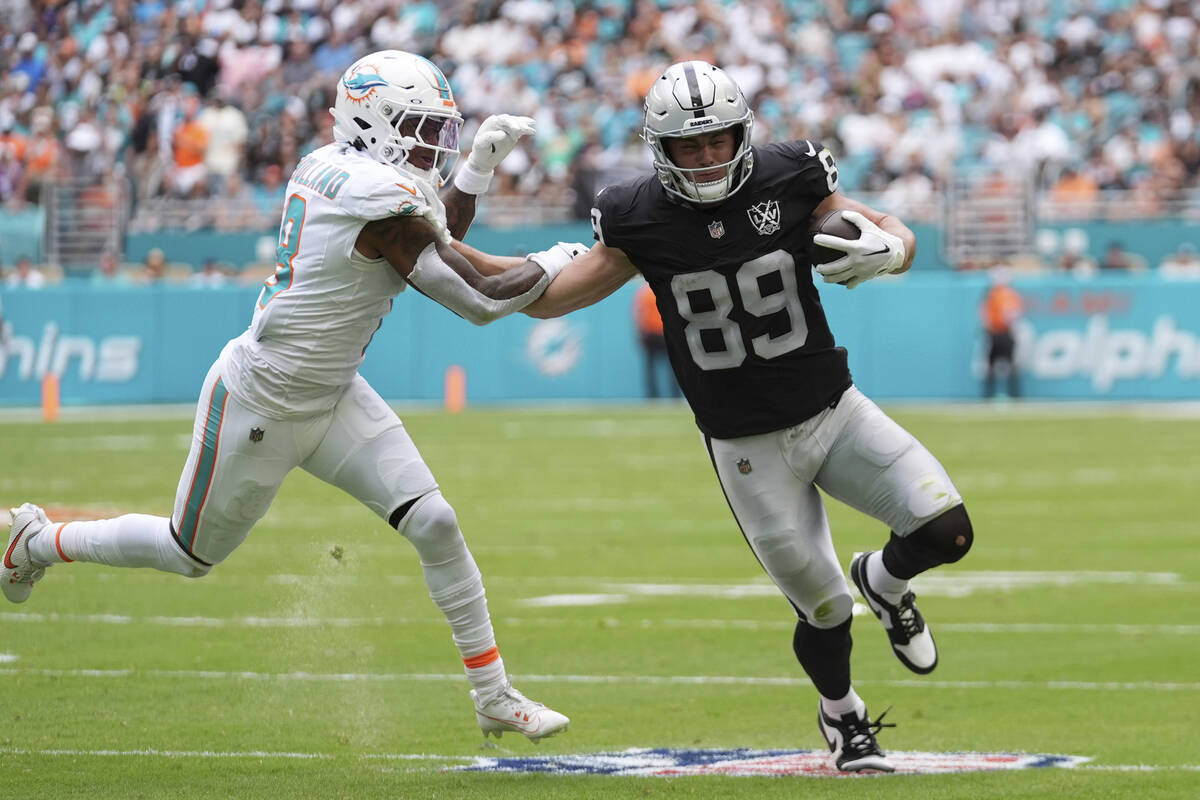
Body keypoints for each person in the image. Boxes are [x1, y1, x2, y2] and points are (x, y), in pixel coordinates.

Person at [3, 50, 575, 744]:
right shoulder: (373, 196)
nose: (431, 146)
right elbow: (478, 296)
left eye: (438, 132)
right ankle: (40, 541)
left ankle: (493, 694)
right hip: (262, 403)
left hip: (333, 393)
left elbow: (434, 236)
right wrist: (555, 262)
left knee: (436, 523)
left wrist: (476, 169)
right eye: (419, 129)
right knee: (188, 553)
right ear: (373, 123)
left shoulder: (347, 172)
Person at [456, 61, 973, 773]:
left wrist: (895, 247)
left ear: (743, 134)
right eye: (688, 146)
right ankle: (843, 715)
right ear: (659, 150)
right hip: (747, 446)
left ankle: (884, 580)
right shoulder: (637, 216)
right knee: (823, 610)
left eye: (718, 140)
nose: (705, 158)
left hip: (833, 407)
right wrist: (442, 232)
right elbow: (546, 298)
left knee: (949, 530)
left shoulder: (791, 174)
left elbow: (887, 230)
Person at [980, 268, 1022, 399]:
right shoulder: (1004, 294)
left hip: (997, 333)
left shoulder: (994, 295)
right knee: (1009, 366)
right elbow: (1013, 315)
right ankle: (1014, 395)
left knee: (993, 366)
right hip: (1004, 333)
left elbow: (985, 316)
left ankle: (989, 396)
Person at [632, 280, 678, 398]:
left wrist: (640, 333)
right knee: (672, 367)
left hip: (653, 333)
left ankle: (654, 396)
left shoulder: (644, 292)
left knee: (655, 368)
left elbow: (638, 315)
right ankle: (673, 396)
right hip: (661, 332)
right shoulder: (661, 290)